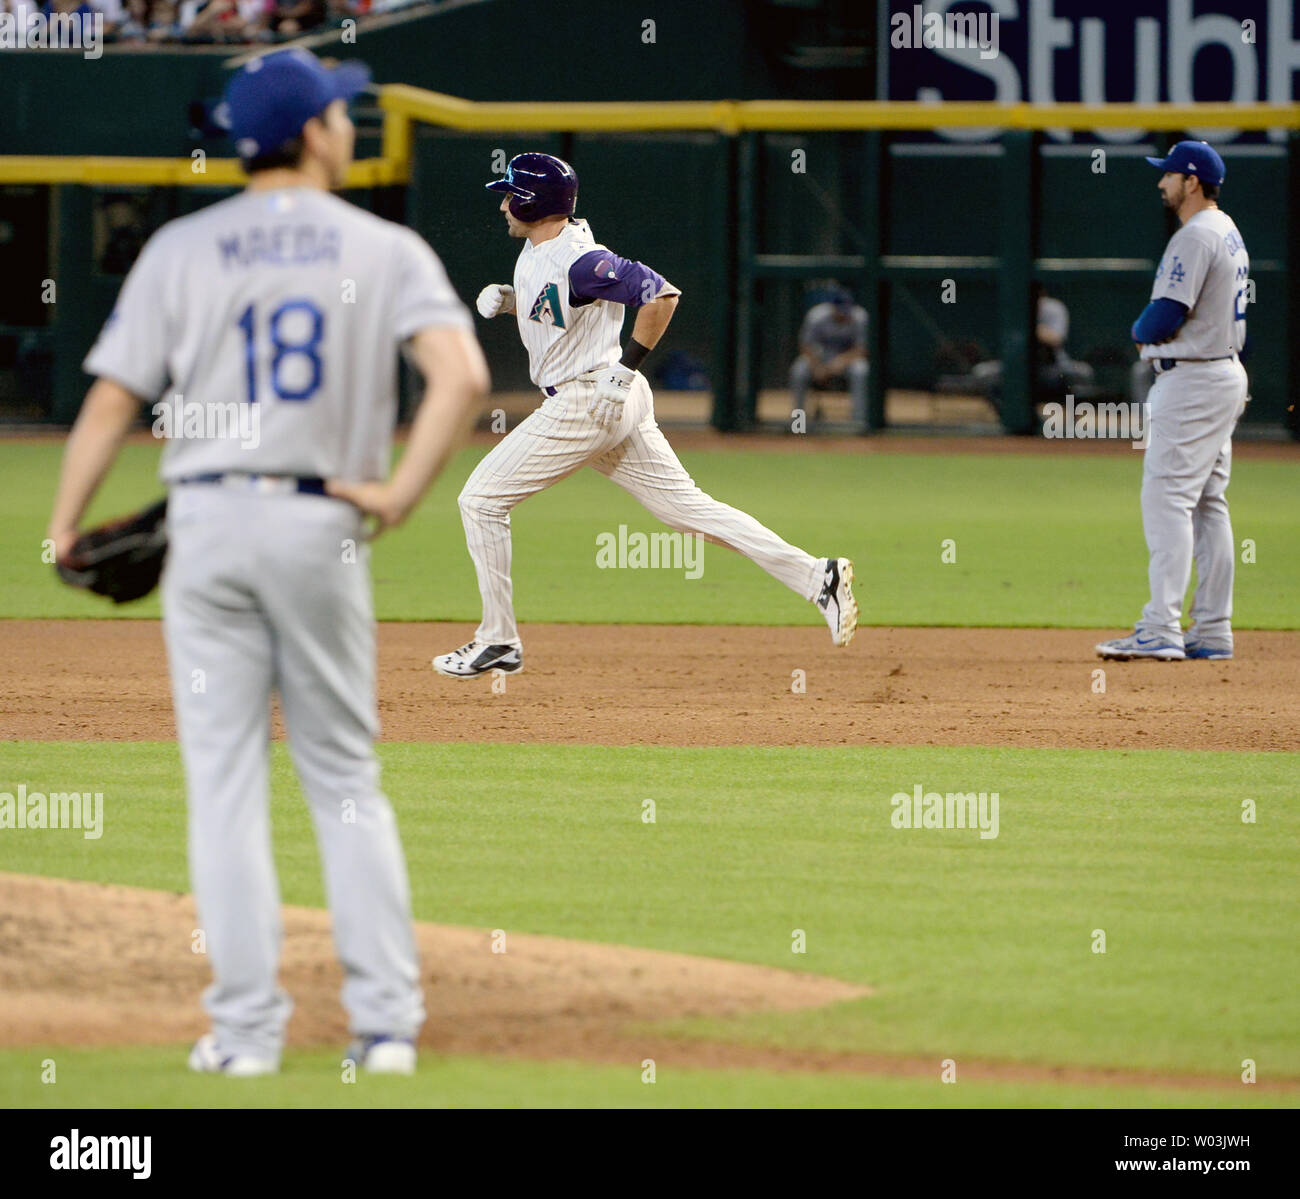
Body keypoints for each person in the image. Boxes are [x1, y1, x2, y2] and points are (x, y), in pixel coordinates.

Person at [46, 48, 489, 1074]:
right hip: (318, 523)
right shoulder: (381, 246)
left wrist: (64, 524)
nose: (348, 123)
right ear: (315, 133)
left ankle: (244, 1036)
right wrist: (399, 492)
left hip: (204, 526)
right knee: (341, 774)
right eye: (339, 112)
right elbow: (460, 376)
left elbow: (112, 398)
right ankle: (384, 1029)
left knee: (224, 785)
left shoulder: (182, 247)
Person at [433, 152, 857, 679]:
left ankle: (498, 640)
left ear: (530, 200)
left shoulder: (581, 257)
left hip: (589, 399)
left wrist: (627, 368)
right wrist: (511, 302)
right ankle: (818, 577)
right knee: (687, 511)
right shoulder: (541, 253)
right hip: (604, 399)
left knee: (480, 500)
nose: (502, 204)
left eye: (508, 193)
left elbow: (662, 294)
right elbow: (564, 306)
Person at [1095, 140, 1248, 662]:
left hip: (1194, 380)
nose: (1162, 182)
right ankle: (1212, 629)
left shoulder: (1196, 234)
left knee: (1168, 500)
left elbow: (1164, 314)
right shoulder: (1227, 230)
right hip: (1221, 374)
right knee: (1208, 504)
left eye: (1169, 175)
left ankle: (1161, 626)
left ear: (1193, 182)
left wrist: (1138, 331)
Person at [788, 284, 868, 424]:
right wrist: (817, 366)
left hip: (847, 359)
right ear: (831, 306)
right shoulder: (816, 316)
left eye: (846, 310)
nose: (844, 314)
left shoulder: (860, 317)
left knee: (861, 370)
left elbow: (862, 349)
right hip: (820, 358)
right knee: (798, 371)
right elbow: (805, 345)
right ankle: (798, 423)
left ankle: (859, 421)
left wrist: (841, 362)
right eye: (840, 310)